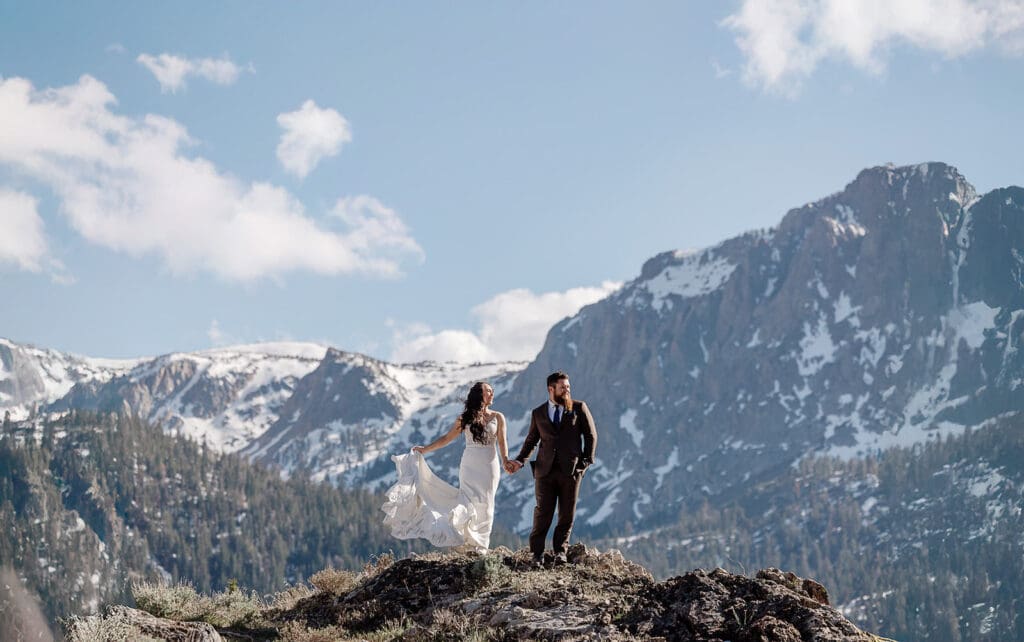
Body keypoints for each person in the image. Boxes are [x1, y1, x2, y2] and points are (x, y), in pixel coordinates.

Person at [382, 381, 511, 552]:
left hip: (489, 466)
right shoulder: (465, 418)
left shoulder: (498, 417)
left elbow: (502, 442)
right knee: (468, 500)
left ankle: (481, 544)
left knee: (487, 503)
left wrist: (506, 461)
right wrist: (425, 449)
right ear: (479, 395)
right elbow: (446, 439)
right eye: (488, 391)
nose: (492, 394)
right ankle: (469, 542)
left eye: (492, 391)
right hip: (470, 465)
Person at [507, 371, 597, 566]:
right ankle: (536, 555)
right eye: (563, 387)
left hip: (570, 471)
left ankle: (560, 553)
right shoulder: (538, 413)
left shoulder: (579, 408)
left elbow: (590, 436)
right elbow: (531, 440)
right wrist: (520, 460)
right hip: (544, 471)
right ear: (551, 389)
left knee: (566, 513)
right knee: (542, 513)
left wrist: (584, 463)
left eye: (568, 387)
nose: (567, 390)